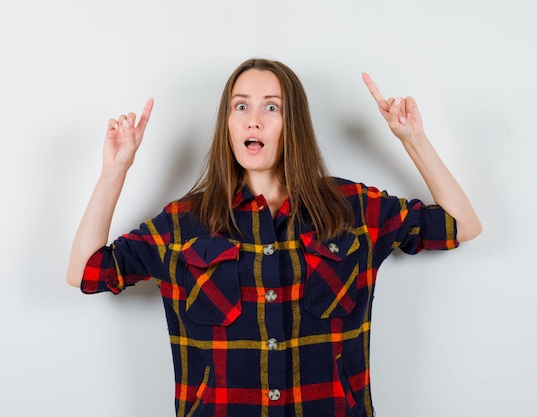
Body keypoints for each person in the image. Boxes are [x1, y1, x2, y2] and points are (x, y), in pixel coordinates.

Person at [66, 58, 481, 417]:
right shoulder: (183, 223)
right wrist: (115, 170)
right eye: (241, 106)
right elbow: (85, 271)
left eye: (271, 107)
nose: (253, 119)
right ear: (227, 124)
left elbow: (462, 224)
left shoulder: (352, 209)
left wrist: (414, 140)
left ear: (292, 123)